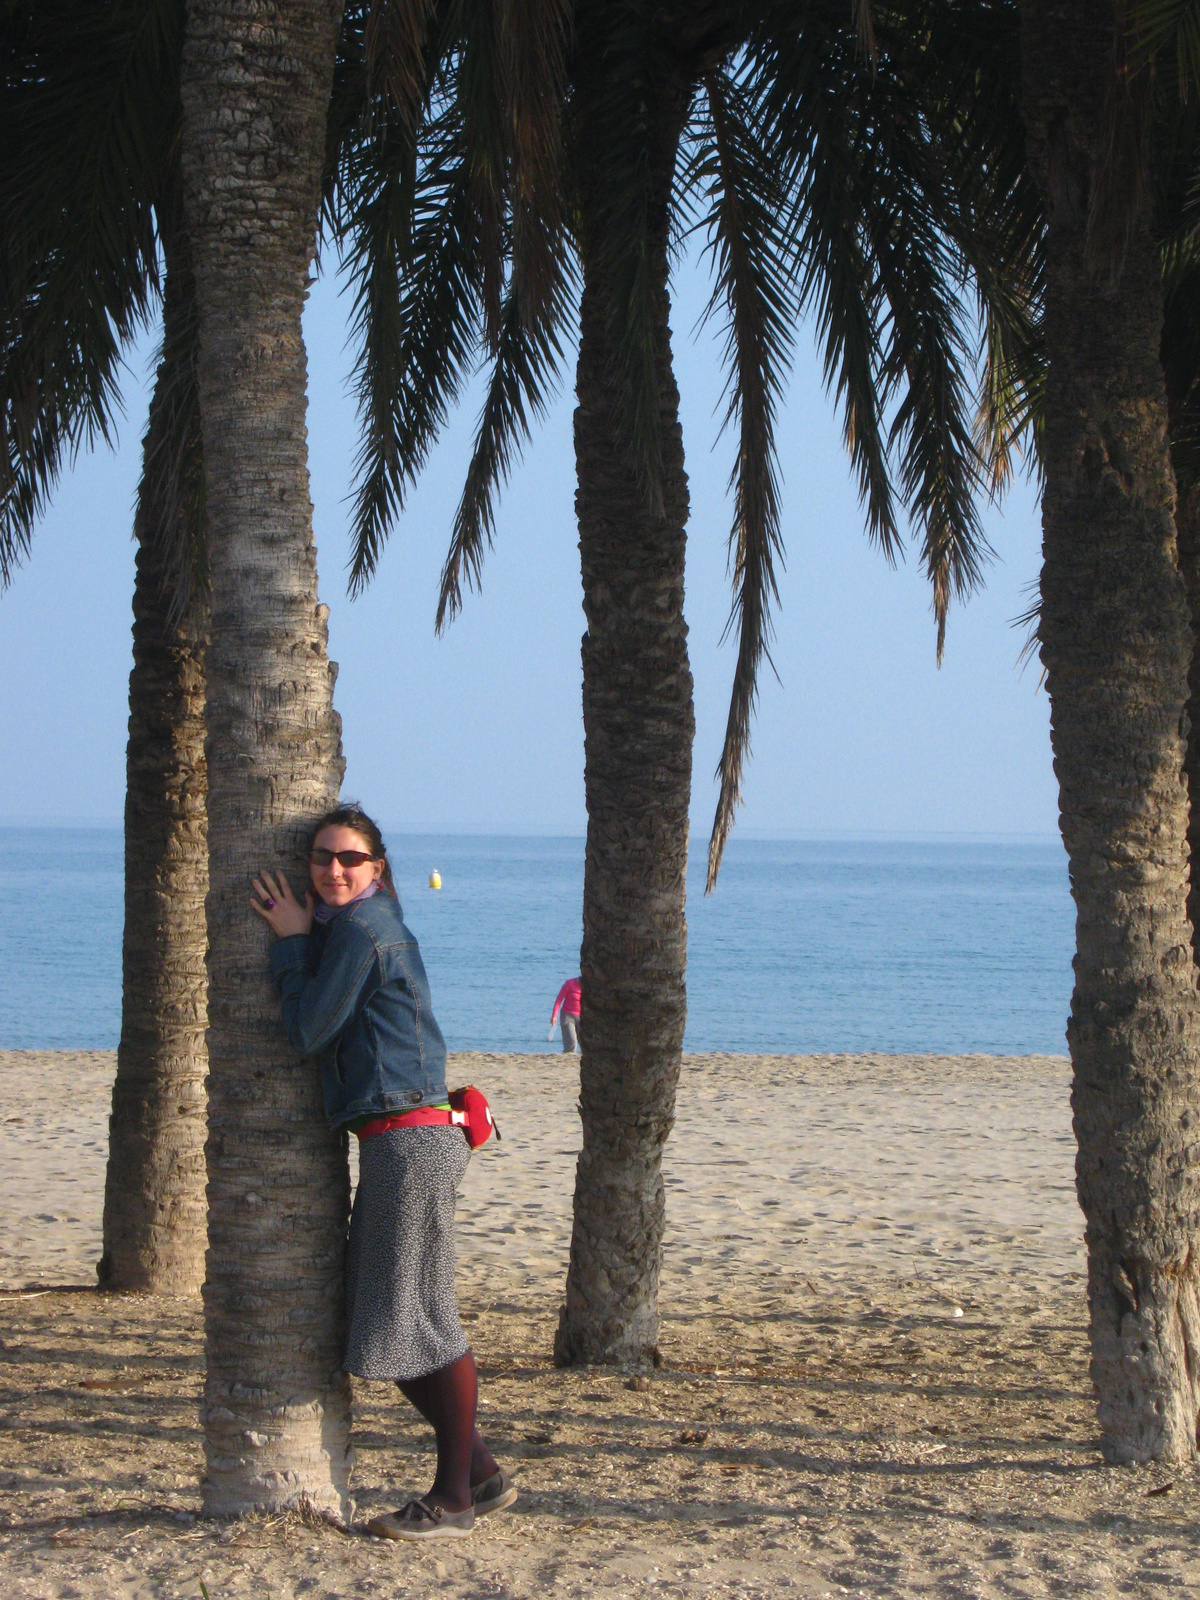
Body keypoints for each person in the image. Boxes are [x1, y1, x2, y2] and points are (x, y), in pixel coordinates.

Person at [250, 803, 515, 1541]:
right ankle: (482, 1477)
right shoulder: (361, 926)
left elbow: (307, 1030)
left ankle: (454, 1499)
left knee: (416, 1325)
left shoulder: (363, 932)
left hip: (409, 1143)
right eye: (321, 857)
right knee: (393, 1324)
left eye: (350, 859)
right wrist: (311, 937)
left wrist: (289, 943)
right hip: (403, 1140)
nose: (333, 870)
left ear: (378, 868)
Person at [549, 976, 582, 1053]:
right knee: (572, 1043)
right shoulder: (569, 984)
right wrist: (554, 1015)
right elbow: (558, 1000)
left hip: (582, 1017)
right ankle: (568, 1059)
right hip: (568, 1016)